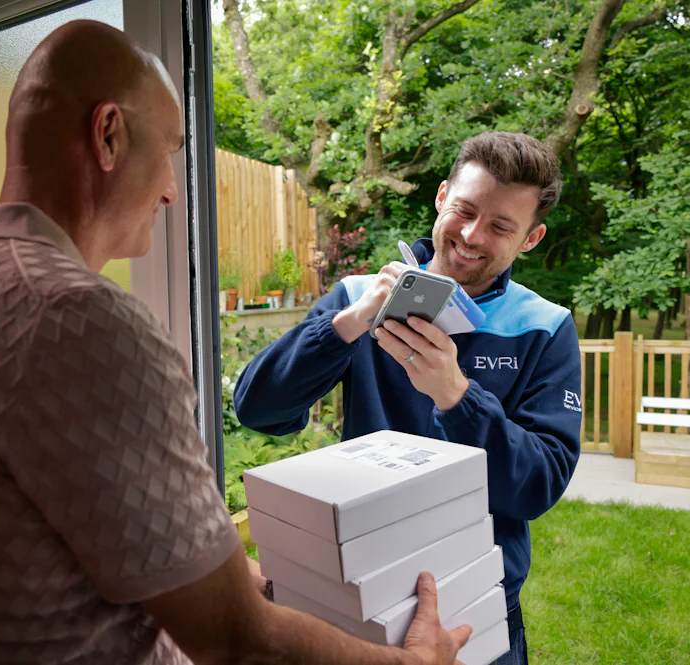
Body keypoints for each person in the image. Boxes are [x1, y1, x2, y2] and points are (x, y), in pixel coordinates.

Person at [0, 20, 471, 665]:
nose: (171, 188)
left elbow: (51, 531)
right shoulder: (78, 320)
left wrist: (212, 571)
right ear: (108, 134)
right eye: (168, 151)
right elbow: (236, 641)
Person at [234, 132, 583, 665]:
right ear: (441, 197)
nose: (470, 234)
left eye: (500, 226)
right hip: (352, 594)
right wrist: (347, 325)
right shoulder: (355, 297)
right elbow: (259, 410)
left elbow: (538, 486)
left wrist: (457, 396)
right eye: (464, 209)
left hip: (477, 604)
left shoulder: (544, 328)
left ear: (530, 239)